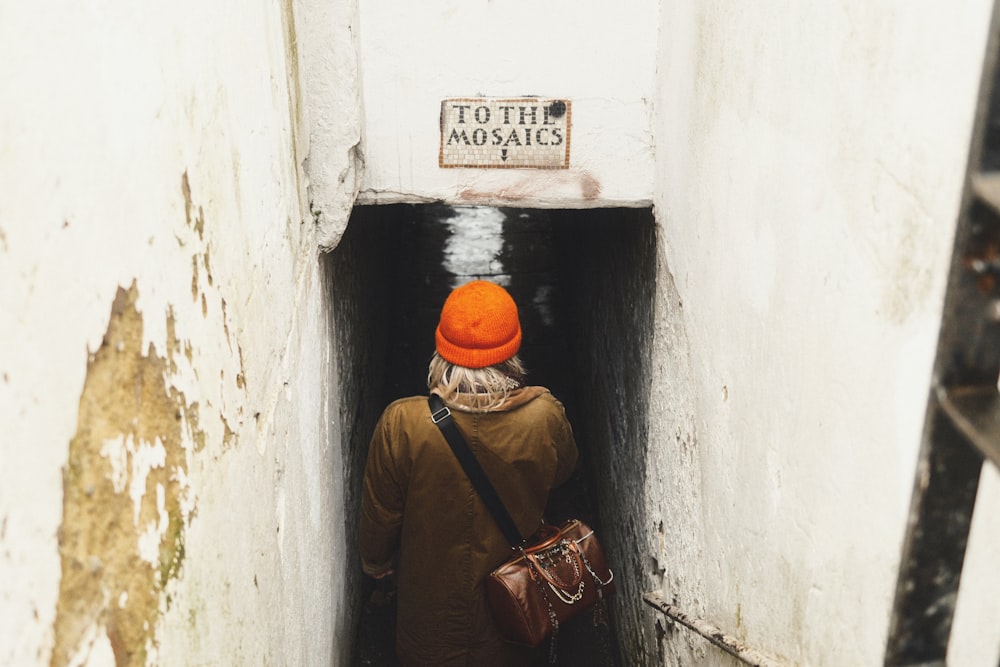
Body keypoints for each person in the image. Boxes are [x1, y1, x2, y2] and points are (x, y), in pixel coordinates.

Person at [359, 280, 579, 666]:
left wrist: (375, 563)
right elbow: (562, 473)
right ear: (512, 351)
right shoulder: (545, 415)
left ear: (441, 350)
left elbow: (382, 512)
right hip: (515, 602)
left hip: (429, 613)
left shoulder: (403, 421)